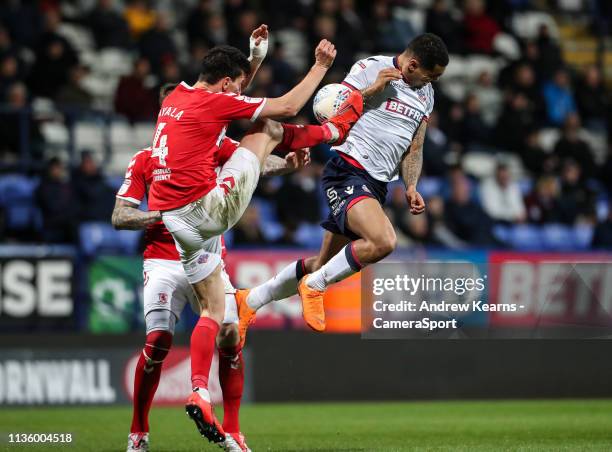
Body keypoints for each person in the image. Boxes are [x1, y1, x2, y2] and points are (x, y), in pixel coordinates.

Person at [146, 27, 363, 444]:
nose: (242, 87)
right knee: (268, 128)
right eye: (240, 81)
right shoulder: (213, 101)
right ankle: (335, 134)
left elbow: (231, 94)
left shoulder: (177, 98)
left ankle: (198, 392)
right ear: (226, 83)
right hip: (207, 210)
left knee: (216, 314)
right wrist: (320, 66)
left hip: (177, 224)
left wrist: (253, 57)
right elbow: (288, 105)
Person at [114, 83, 311, 452]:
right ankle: (138, 432)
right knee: (157, 343)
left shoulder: (212, 147)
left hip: (208, 257)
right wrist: (167, 215)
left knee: (231, 336)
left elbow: (253, 162)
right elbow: (119, 216)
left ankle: (233, 432)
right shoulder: (144, 160)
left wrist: (286, 165)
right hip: (163, 261)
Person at [235, 33, 448, 335]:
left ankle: (251, 299)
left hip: (377, 185)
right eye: (432, 76)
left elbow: (415, 146)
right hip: (348, 170)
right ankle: (315, 287)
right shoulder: (371, 68)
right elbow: (333, 112)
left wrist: (411, 185)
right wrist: (374, 90)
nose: (433, 83)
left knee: (323, 263)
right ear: (412, 65)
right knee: (383, 241)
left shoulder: (425, 94)